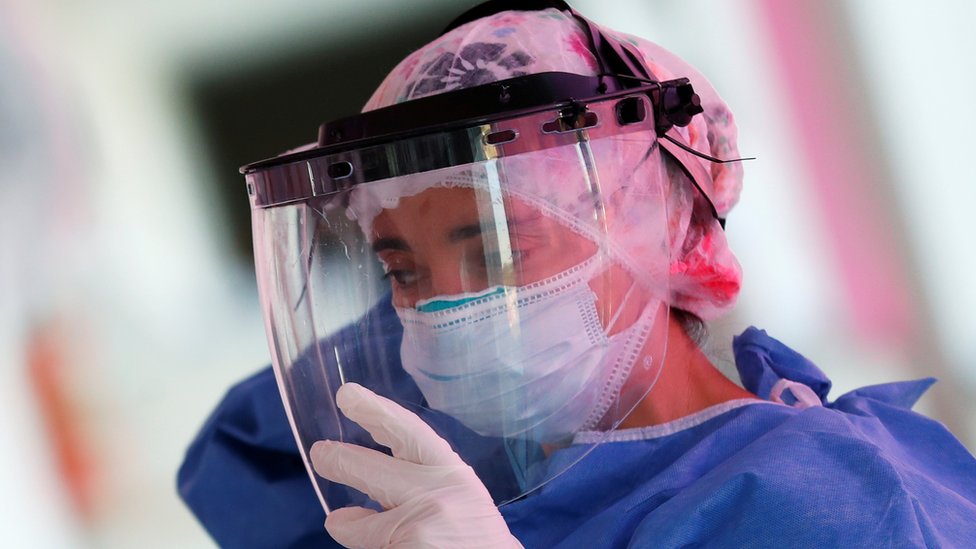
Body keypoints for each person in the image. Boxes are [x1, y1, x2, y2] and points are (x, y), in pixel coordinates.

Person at [178, 1, 976, 547]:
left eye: (497, 250)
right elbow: (255, 459)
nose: (449, 305)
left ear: (646, 228)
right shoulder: (487, 476)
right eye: (403, 269)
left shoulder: (839, 508)